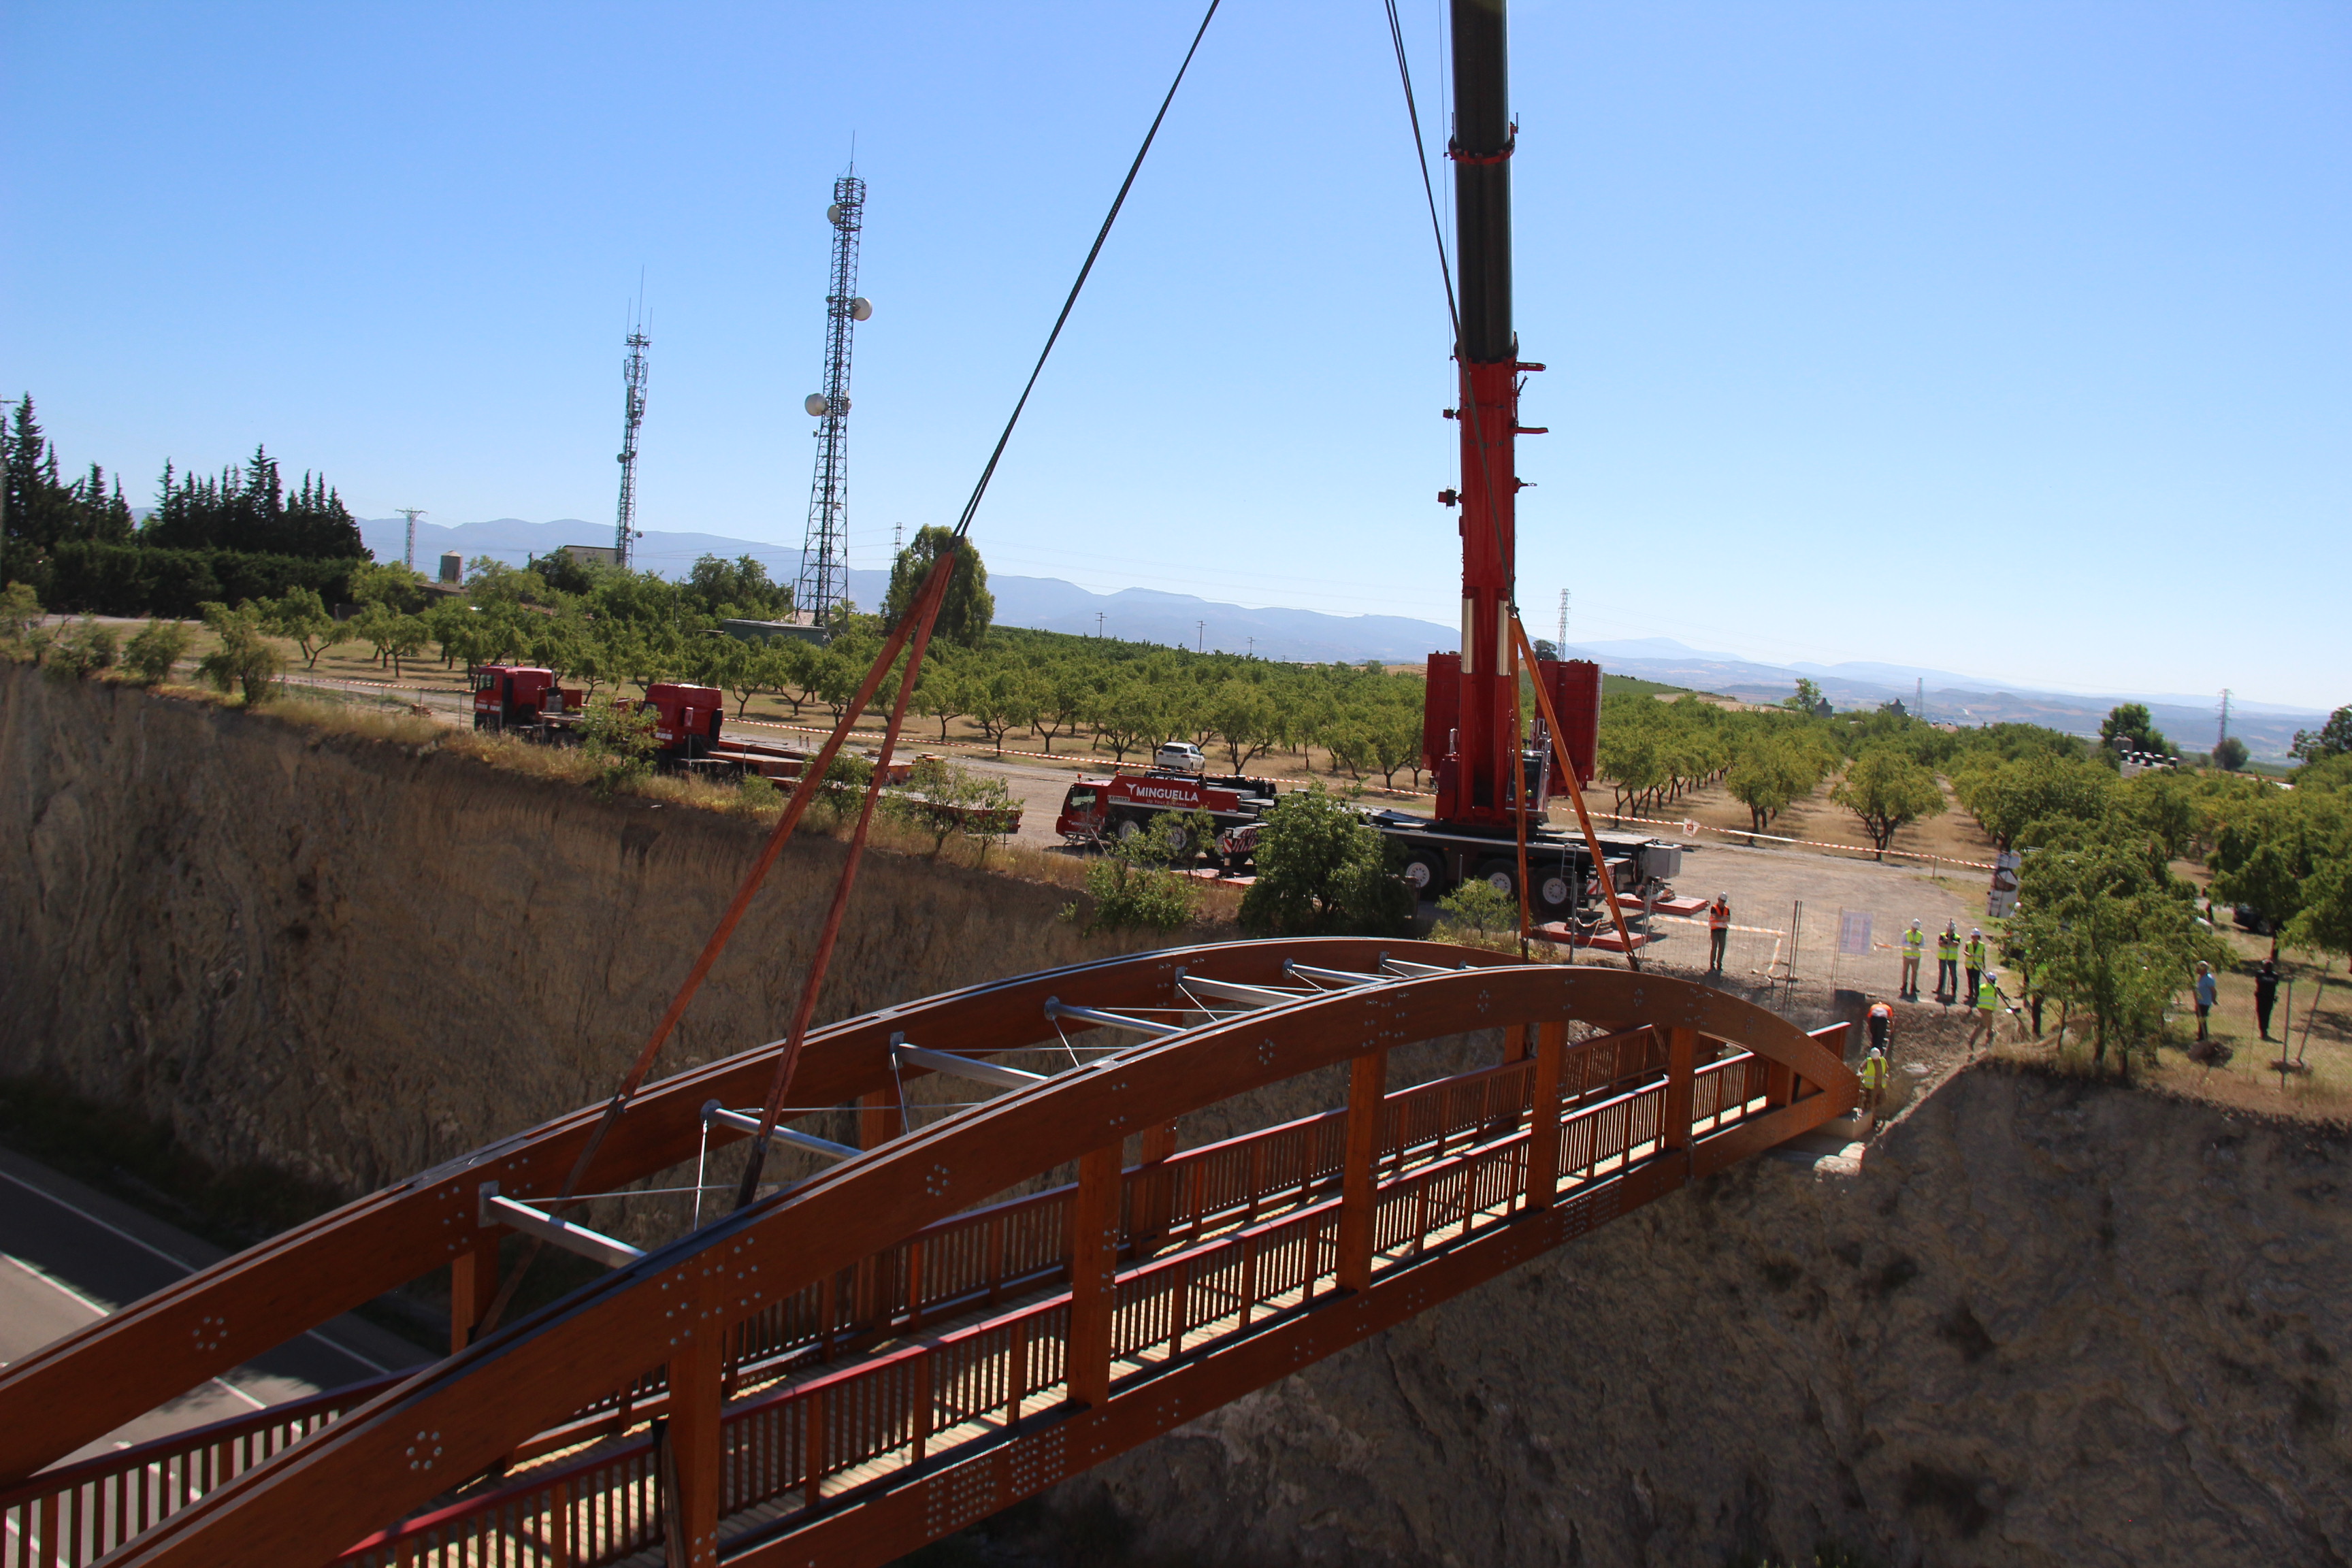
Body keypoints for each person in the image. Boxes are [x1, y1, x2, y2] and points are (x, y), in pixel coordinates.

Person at [1964, 968, 2004, 1056]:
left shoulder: (1982, 987)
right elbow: (2002, 996)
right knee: (1987, 1026)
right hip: (1987, 1009)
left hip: (1982, 1008)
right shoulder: (1995, 988)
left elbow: (1976, 997)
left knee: (1985, 1025)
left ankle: (1976, 1040)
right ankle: (1984, 1042)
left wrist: (1971, 1006)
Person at [1936, 921, 1963, 1004]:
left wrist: (1949, 942)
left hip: (1952, 958)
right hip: (1943, 957)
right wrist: (1948, 944)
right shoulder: (1942, 935)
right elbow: (1940, 944)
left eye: (1951, 930)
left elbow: (1956, 944)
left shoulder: (1957, 937)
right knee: (1942, 974)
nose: (1949, 931)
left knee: (1953, 975)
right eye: (1948, 930)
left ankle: (1954, 991)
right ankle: (1940, 989)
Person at [2254, 960, 2281, 1042]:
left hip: (2270, 998)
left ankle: (2265, 1030)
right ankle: (2262, 1030)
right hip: (2261, 997)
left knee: (2267, 1014)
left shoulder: (2275, 976)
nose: (2267, 967)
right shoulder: (2260, 974)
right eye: (2266, 966)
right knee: (2260, 1014)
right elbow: (2258, 982)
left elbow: (2274, 985)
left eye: (2269, 966)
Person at [1860, 1046, 1889, 1117]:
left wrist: (1886, 1075)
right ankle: (1870, 1115)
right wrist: (1860, 1073)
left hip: (1881, 1085)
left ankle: (1873, 1110)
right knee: (1871, 1102)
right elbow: (1861, 1067)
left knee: (1883, 1098)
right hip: (1872, 1086)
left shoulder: (1883, 1061)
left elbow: (1886, 1069)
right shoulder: (1868, 1061)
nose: (1875, 1060)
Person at [1900, 919, 1925, 1001]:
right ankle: (1904, 985)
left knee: (1915, 972)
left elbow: (1923, 945)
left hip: (1916, 957)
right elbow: (1902, 943)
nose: (1915, 930)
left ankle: (1913, 986)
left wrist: (1918, 945)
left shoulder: (1920, 935)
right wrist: (1909, 944)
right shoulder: (1906, 934)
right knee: (1905, 971)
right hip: (1907, 956)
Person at [1708, 892, 1731, 973]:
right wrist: (1723, 919)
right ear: (1718, 900)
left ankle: (1719, 965)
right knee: (1714, 947)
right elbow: (1714, 917)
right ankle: (1712, 964)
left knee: (1722, 948)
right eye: (1722, 901)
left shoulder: (1727, 909)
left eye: (1724, 901)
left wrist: (1719, 918)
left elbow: (1728, 919)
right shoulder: (1714, 908)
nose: (1723, 903)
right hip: (1715, 930)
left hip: (1723, 931)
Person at [2194, 961, 2217, 1043]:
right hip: (2200, 1002)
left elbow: (2213, 991)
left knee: (2202, 1019)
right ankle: (2201, 1036)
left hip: (2205, 1002)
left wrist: (2213, 999)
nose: (2197, 970)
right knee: (2200, 1019)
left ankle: (2203, 1037)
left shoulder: (2208, 978)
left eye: (2199, 968)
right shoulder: (2201, 977)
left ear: (2203, 969)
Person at [1963, 928, 1989, 1003]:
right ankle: (1971, 993)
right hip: (1969, 965)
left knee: (1976, 980)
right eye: (1973, 937)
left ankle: (1977, 995)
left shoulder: (1982, 945)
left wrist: (1984, 964)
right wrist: (1968, 954)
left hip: (1977, 965)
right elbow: (1965, 951)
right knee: (1970, 980)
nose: (1974, 938)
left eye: (1976, 937)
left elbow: (1983, 955)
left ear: (1978, 937)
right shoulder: (1968, 944)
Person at [1867, 998, 1894, 1063]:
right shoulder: (1887, 1007)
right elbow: (1890, 1019)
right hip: (1882, 1020)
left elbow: (1869, 1018)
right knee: (1880, 1037)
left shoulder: (1874, 1006)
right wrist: (1892, 1028)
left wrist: (1869, 1027)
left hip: (1874, 1019)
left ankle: (1873, 1052)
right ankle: (1879, 1055)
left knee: (1874, 1037)